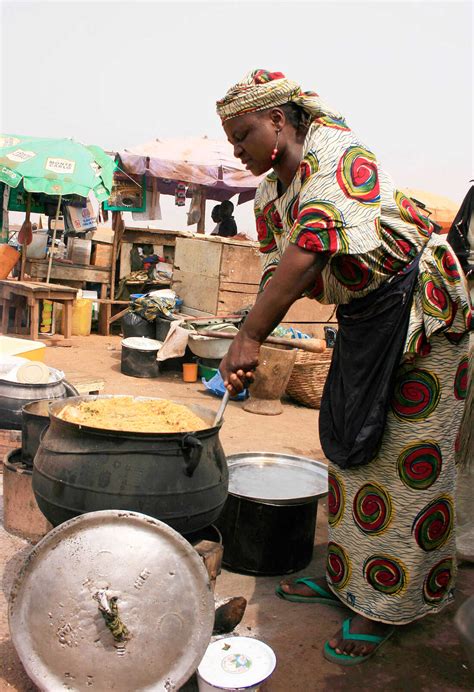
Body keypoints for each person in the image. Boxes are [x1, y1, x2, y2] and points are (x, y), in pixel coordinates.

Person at [216, 69, 472, 665]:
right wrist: (248, 332)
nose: (236, 150)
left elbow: (309, 254)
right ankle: (348, 579)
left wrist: (253, 335)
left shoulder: (338, 152)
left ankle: (387, 604)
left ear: (278, 120)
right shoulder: (268, 195)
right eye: (229, 141)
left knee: (409, 461)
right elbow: (279, 270)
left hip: (423, 313)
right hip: (365, 318)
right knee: (350, 454)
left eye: (243, 134)